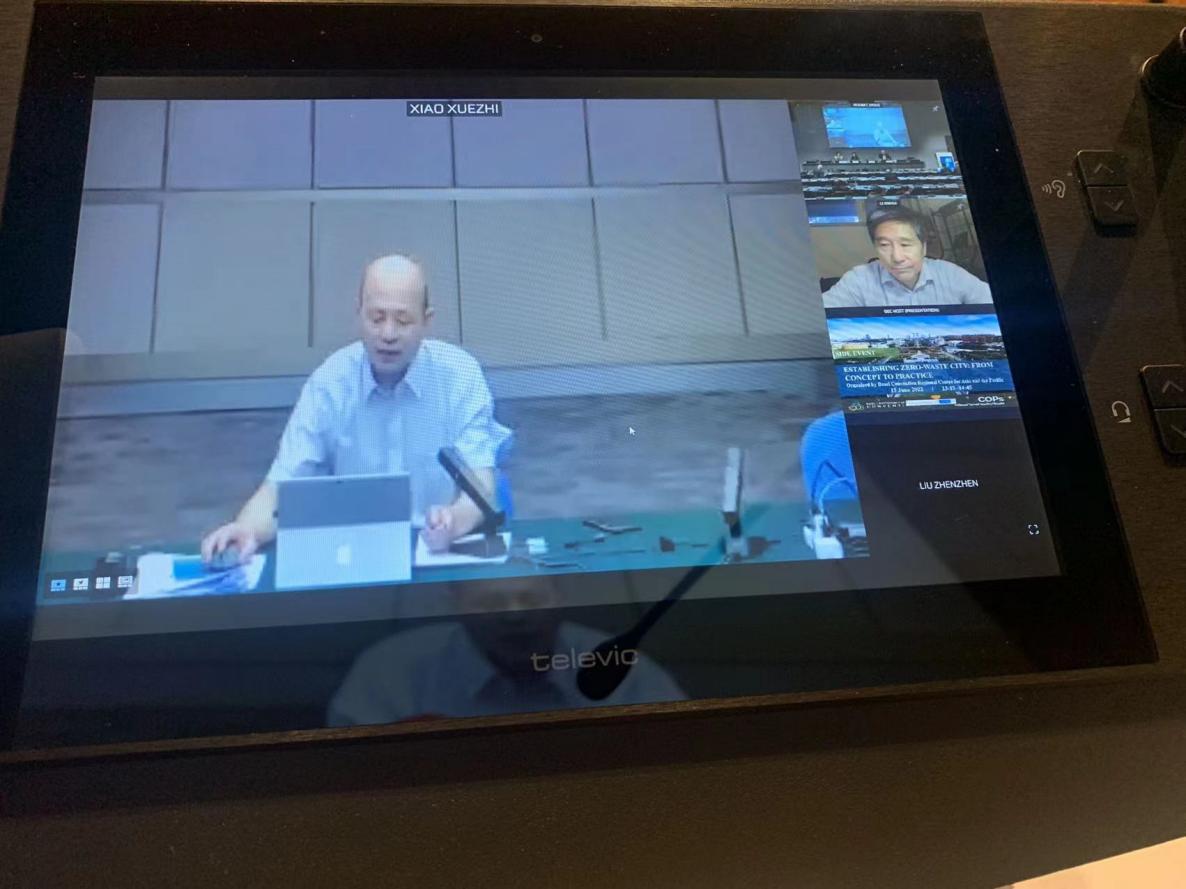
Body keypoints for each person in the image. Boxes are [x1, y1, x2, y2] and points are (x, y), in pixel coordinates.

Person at [201, 253, 510, 563]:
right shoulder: (329, 383)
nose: (388, 334)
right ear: (358, 314)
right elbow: (283, 484)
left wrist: (454, 522)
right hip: (352, 557)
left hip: (435, 556)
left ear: (426, 321)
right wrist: (247, 530)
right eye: (376, 318)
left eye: (403, 321)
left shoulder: (460, 375)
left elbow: (480, 489)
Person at [327, 577, 686, 726]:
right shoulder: (390, 670)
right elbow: (349, 781)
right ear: (455, 604)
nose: (515, 616)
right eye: (491, 603)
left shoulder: (623, 668)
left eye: (531, 599)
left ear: (561, 597)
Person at [822, 206, 993, 308]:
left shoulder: (951, 274)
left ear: (923, 247)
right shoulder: (859, 279)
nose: (897, 257)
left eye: (905, 244)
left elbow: (995, 308)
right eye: (884, 245)